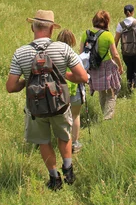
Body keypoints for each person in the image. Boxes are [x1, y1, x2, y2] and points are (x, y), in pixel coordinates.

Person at [6, 10, 88, 191]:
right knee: (63, 136)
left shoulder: (20, 53)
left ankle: (54, 178)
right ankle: (68, 169)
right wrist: (63, 76)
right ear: (52, 29)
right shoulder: (63, 48)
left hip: (35, 107)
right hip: (60, 104)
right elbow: (82, 76)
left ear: (32, 27)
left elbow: (11, 87)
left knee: (43, 141)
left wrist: (27, 82)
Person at [80, 10, 123, 121]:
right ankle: (107, 117)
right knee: (111, 92)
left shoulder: (86, 34)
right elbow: (115, 54)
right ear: (106, 22)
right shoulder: (107, 35)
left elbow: (81, 53)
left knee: (101, 92)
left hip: (93, 67)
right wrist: (120, 66)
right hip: (106, 66)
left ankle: (105, 113)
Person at [56, 29, 85, 155]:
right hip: (75, 90)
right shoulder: (75, 56)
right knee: (75, 116)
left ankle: (62, 141)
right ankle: (74, 142)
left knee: (61, 117)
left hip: (59, 92)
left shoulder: (54, 57)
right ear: (72, 41)